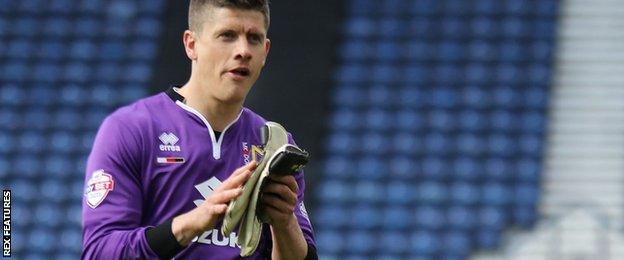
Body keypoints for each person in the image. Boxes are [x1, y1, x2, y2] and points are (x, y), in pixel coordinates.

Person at [81, 0, 316, 259]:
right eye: (227, 35)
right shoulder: (132, 129)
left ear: (265, 52)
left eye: (254, 38)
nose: (243, 50)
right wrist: (194, 222)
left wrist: (284, 224)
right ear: (191, 44)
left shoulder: (273, 145)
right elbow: (99, 251)